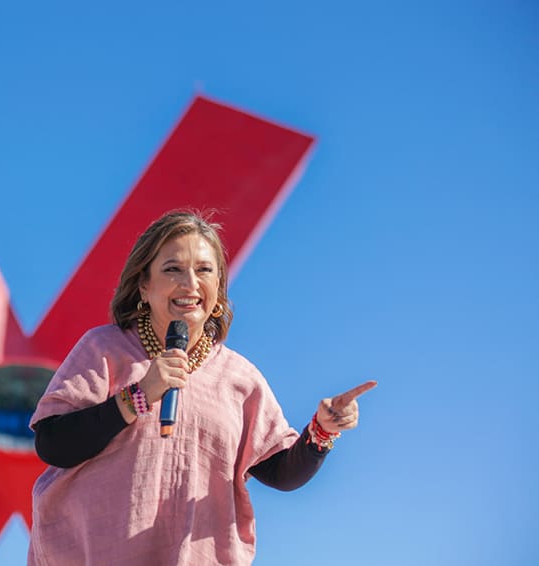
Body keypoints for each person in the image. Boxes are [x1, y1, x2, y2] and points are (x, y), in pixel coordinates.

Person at [28, 210, 376, 565]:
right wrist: (139, 395)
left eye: (204, 270)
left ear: (219, 293)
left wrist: (322, 430)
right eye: (172, 269)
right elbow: (53, 444)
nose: (190, 283)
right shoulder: (104, 349)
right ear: (144, 286)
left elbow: (281, 472)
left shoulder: (240, 378)